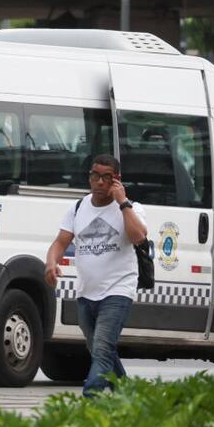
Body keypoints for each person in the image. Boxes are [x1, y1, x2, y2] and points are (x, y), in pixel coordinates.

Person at [44, 154, 148, 396]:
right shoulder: (78, 207)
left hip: (118, 290)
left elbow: (139, 237)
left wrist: (123, 203)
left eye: (106, 177)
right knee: (101, 350)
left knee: (101, 349)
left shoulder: (132, 208)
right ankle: (128, 396)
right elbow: (60, 242)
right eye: (95, 175)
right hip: (86, 293)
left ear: (116, 179)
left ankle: (91, 397)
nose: (99, 182)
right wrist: (50, 263)